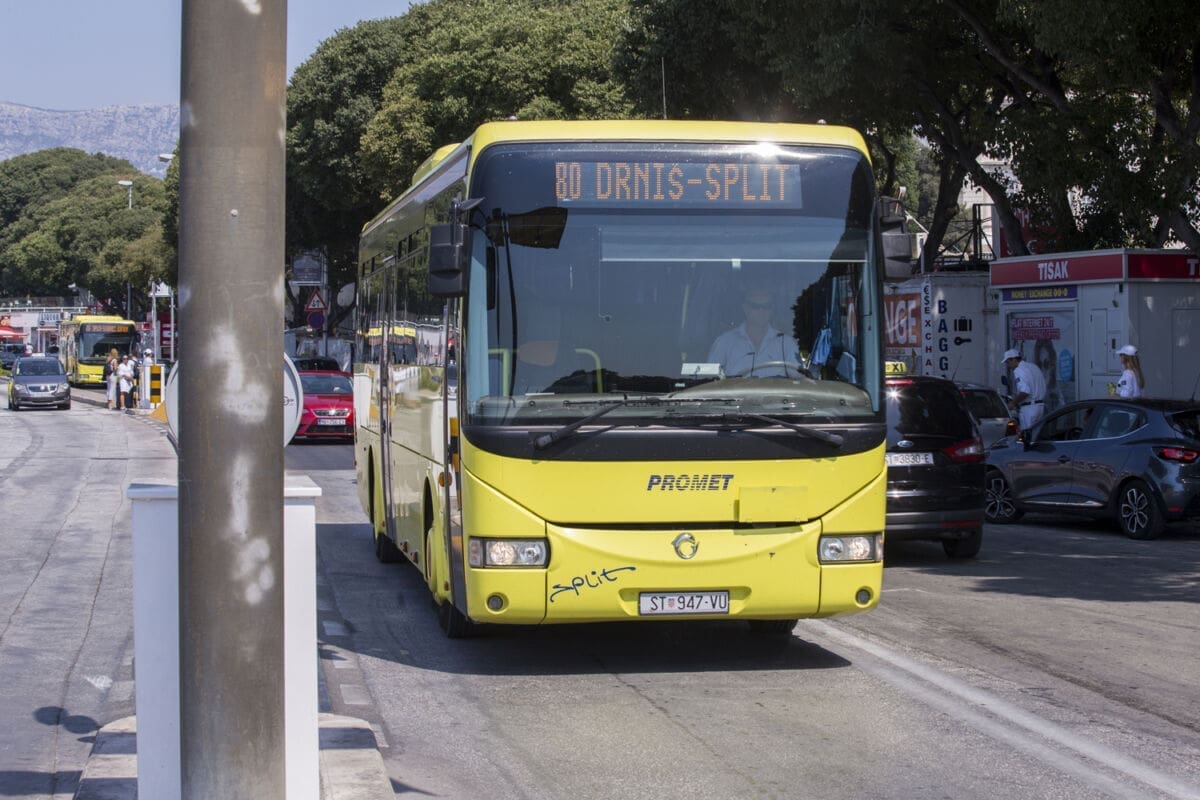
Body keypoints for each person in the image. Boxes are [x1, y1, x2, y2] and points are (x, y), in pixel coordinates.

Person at [707, 287, 801, 378]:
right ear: (745, 308)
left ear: (772, 310)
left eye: (766, 306)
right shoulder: (724, 342)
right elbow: (709, 381)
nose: (761, 311)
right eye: (755, 306)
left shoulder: (786, 344)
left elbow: (800, 379)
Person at [1003, 347, 1047, 429]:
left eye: (1008, 362)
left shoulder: (1018, 370)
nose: (1008, 366)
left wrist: (1013, 403)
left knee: (1027, 437)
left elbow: (1025, 391)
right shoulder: (1033, 367)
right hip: (1040, 407)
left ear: (1014, 359)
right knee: (1036, 436)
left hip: (1029, 409)